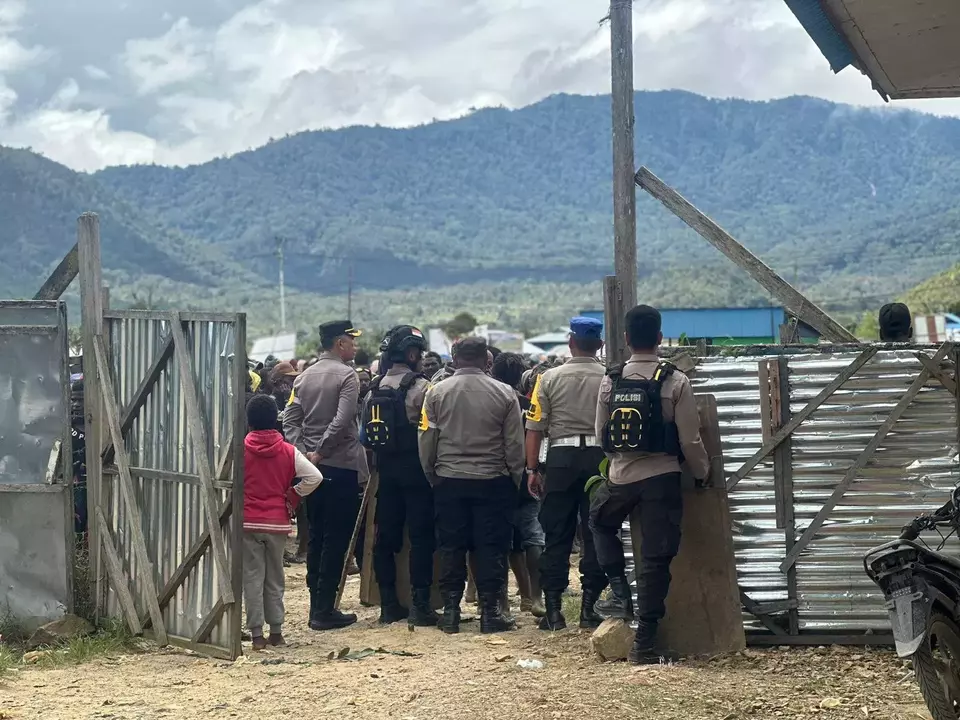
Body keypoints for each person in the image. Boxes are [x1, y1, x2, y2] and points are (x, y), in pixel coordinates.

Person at [590, 304, 710, 664]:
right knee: (656, 559)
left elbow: (601, 435)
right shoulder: (675, 380)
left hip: (621, 477)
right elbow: (690, 440)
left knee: (599, 521)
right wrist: (702, 473)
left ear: (626, 339)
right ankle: (644, 644)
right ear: (659, 338)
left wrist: (618, 465)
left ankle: (618, 592)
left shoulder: (610, 379)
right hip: (662, 479)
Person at [418, 337, 525, 634]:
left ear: (455, 358)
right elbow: (514, 444)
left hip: (449, 479)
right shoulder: (504, 393)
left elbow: (427, 439)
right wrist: (514, 476)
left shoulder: (436, 393)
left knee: (451, 546)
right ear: (485, 359)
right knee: (491, 547)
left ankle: (451, 611)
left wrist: (432, 474)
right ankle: (490, 613)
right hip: (493, 480)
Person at [525, 317, 608, 631]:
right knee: (595, 533)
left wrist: (533, 469)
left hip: (560, 458)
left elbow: (534, 428)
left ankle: (554, 611)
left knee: (556, 534)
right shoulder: (610, 376)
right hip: (599, 459)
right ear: (599, 344)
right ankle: (589, 609)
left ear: (571, 343)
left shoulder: (547, 379)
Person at [284, 319, 364, 630]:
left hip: (311, 470)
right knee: (337, 538)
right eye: (352, 341)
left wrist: (302, 453)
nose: (355, 347)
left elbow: (290, 417)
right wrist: (320, 451)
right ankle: (324, 609)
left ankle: (316, 604)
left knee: (316, 534)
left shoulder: (303, 378)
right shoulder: (347, 376)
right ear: (340, 344)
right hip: (339, 465)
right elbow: (343, 420)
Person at [362, 326, 439, 626]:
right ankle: (421, 605)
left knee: (386, 538)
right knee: (421, 537)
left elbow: (364, 437)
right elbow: (432, 433)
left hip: (385, 472)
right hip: (417, 472)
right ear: (411, 353)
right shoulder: (422, 388)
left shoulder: (373, 388)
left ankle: (388, 603)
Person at [243, 395, 323, 649]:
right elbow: (315, 477)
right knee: (275, 577)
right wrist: (291, 495)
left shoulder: (239, 449)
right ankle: (276, 632)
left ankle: (256, 635)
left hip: (247, 522)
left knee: (252, 577)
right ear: (275, 420)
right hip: (277, 522)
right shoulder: (288, 451)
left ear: (249, 421)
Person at [492, 351, 546, 619]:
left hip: (497, 478)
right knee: (533, 537)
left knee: (501, 542)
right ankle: (536, 596)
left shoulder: (490, 403)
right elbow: (540, 439)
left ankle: (502, 602)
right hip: (527, 478)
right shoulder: (528, 403)